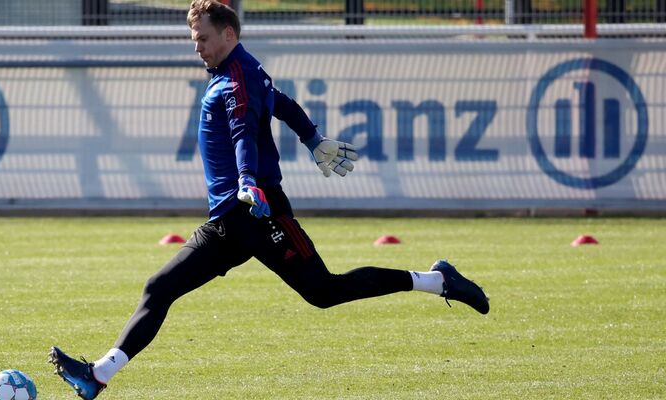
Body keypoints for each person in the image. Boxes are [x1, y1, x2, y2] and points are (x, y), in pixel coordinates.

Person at [49, 1, 489, 398]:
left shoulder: (238, 78)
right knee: (159, 288)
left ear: (229, 34)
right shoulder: (241, 71)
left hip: (258, 211)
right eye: (194, 39)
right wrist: (312, 137)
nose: (197, 46)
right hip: (230, 219)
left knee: (324, 291)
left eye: (203, 37)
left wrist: (246, 177)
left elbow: (244, 131)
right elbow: (281, 103)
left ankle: (436, 280)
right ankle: (98, 375)